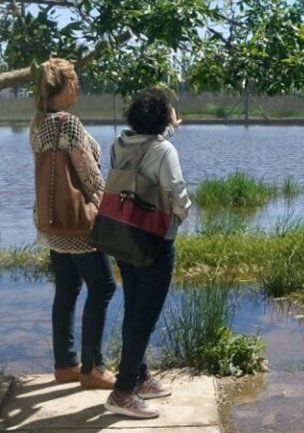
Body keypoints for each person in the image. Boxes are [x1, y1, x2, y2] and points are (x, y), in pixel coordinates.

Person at [30, 58, 117, 390]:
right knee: (104, 287)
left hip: (52, 223)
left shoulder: (38, 123)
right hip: (79, 224)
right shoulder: (68, 123)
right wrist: (108, 208)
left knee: (67, 288)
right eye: (75, 81)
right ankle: (92, 368)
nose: (78, 86)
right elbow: (90, 176)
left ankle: (65, 364)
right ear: (64, 86)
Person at [104, 87, 191, 419]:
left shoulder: (119, 143)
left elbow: (144, 151)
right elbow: (176, 192)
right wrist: (180, 216)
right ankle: (123, 391)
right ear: (163, 117)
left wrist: (169, 130)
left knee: (134, 307)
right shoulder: (164, 150)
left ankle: (139, 376)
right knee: (146, 316)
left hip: (125, 235)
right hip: (156, 240)